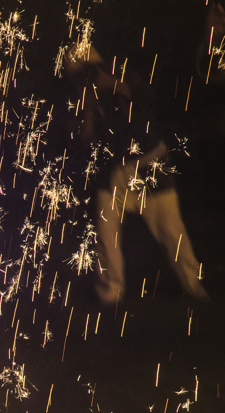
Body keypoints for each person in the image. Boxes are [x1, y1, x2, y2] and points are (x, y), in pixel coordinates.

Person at [63, 44, 210, 306]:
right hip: (117, 173)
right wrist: (86, 115)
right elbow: (86, 139)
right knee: (106, 229)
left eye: (87, 74)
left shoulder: (123, 78)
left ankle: (195, 288)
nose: (84, 81)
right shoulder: (82, 98)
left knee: (171, 230)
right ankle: (111, 294)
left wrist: (116, 85)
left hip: (150, 166)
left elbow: (145, 101)